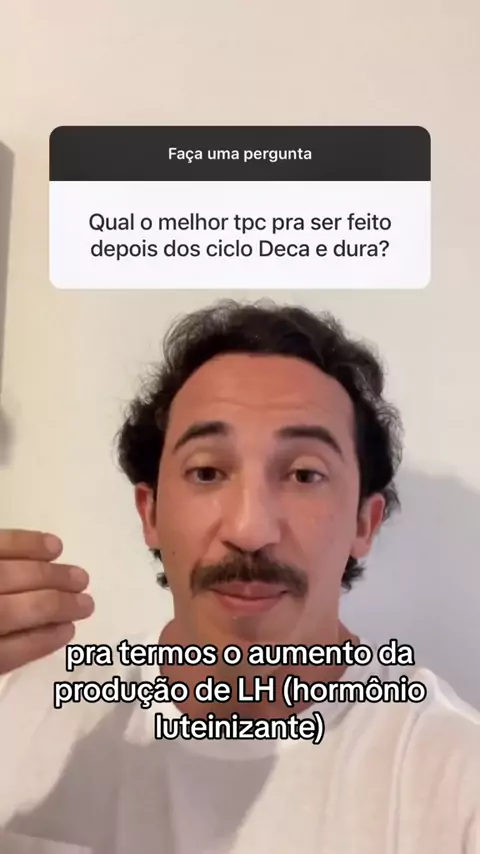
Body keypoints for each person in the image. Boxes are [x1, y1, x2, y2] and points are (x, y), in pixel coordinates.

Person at [0, 299, 478, 854]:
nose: (250, 530)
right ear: (150, 514)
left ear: (362, 525)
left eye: (304, 474)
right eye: (207, 471)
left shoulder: (454, 778)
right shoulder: (17, 712)